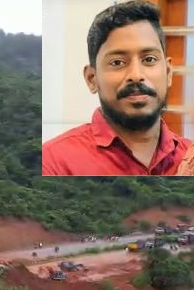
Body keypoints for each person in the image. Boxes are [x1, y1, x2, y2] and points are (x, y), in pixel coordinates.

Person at [42, 1, 192, 176]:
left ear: (168, 72)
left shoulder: (189, 157)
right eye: (117, 62)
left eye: (149, 59)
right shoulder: (53, 164)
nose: (136, 75)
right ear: (92, 79)